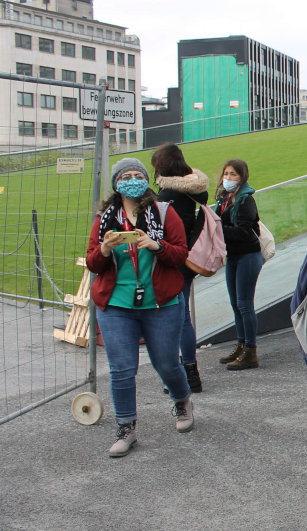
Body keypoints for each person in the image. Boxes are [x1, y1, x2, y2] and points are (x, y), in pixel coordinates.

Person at [86, 158, 193, 457]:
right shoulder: (105, 217)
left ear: (146, 180)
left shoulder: (163, 212)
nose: (132, 180)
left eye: (138, 175)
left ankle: (182, 400)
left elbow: (181, 254)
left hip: (161, 304)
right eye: (126, 176)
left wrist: (155, 245)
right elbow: (93, 262)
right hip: (116, 305)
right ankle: (126, 428)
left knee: (166, 363)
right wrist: (105, 249)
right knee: (121, 369)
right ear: (116, 183)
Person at [153, 143, 210, 392]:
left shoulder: (167, 196)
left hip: (172, 259)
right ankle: (191, 371)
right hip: (188, 259)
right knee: (184, 316)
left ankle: (185, 374)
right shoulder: (193, 191)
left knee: (177, 317)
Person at [214, 159, 263, 370]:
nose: (228, 178)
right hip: (233, 255)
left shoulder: (245, 200)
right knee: (235, 303)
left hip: (248, 255)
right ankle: (241, 344)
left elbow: (244, 232)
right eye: (226, 174)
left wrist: (218, 230)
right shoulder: (225, 199)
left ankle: (250, 351)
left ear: (242, 177)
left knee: (244, 303)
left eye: (233, 174)